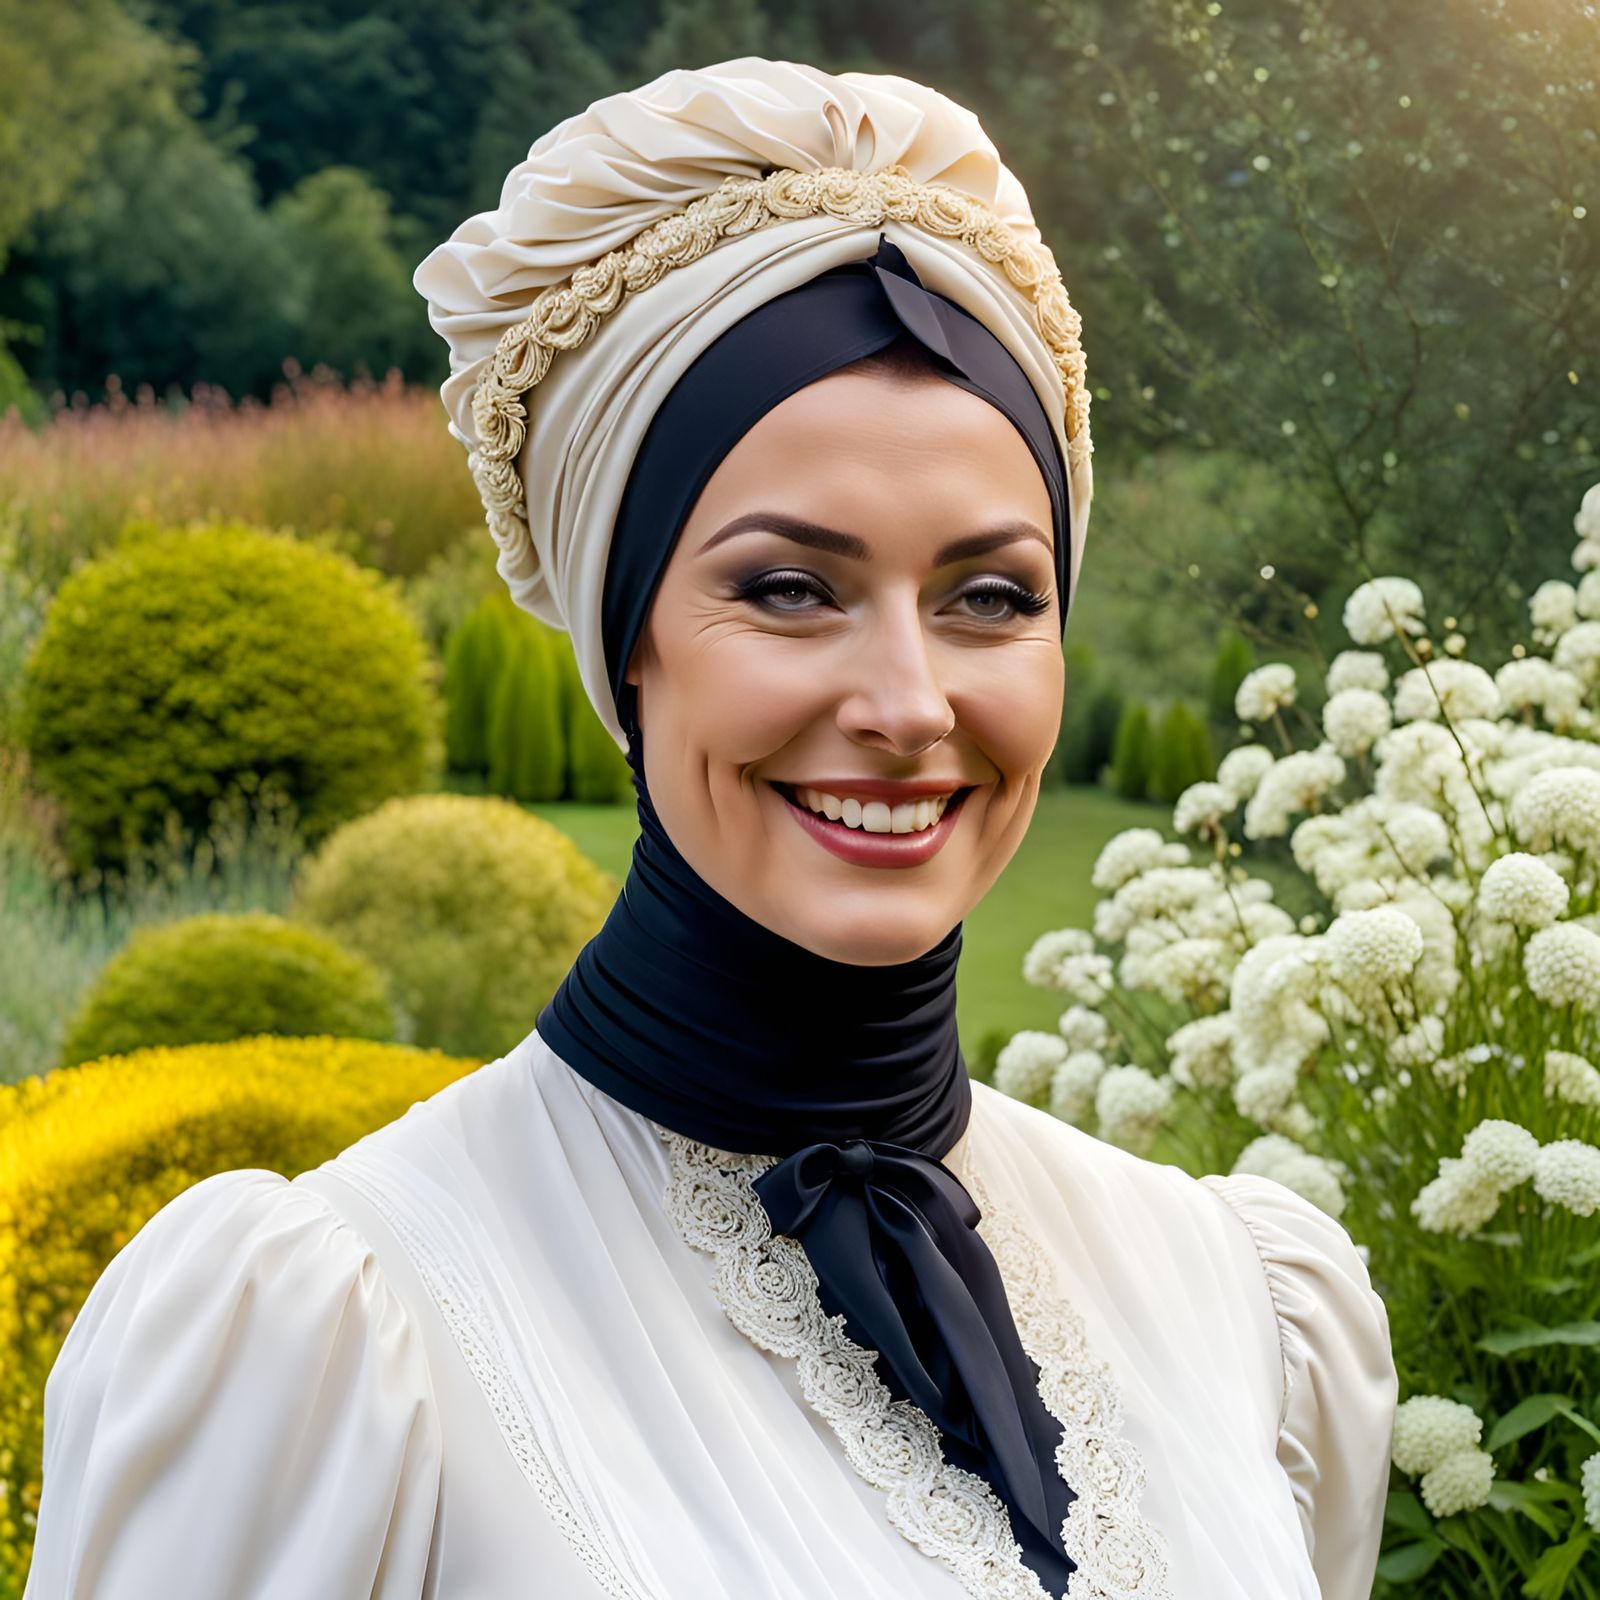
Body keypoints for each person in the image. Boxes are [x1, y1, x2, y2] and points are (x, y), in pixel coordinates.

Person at [21, 58, 1398, 1600]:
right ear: (624, 643)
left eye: (991, 598)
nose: (910, 701)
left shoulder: (1234, 1299)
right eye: (789, 589)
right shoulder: (340, 1329)